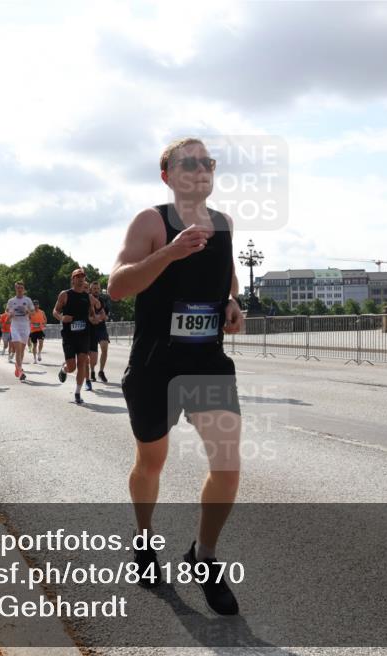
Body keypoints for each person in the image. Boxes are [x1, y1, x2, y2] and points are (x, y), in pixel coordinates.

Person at [107, 137, 244, 615]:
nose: (201, 169)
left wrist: (231, 302)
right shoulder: (152, 221)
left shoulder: (224, 223)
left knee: (227, 465)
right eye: (189, 162)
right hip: (155, 364)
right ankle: (144, 540)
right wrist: (168, 253)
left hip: (207, 360)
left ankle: (203, 556)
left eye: (207, 162)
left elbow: (227, 275)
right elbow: (118, 286)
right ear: (167, 173)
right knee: (152, 462)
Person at [53, 268, 100, 403]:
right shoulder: (65, 295)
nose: (80, 279)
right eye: (77, 277)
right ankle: (64, 369)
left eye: (82, 277)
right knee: (72, 367)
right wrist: (62, 318)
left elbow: (92, 314)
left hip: (84, 335)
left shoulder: (88, 297)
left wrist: (94, 318)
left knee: (82, 363)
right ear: (73, 279)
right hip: (69, 336)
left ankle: (78, 393)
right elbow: (55, 311)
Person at [6, 281, 35, 381]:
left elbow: (33, 313)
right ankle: (21, 371)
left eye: (21, 288)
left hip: (25, 327)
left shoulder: (28, 300)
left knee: (22, 351)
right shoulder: (11, 301)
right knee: (18, 350)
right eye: (18, 288)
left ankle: (18, 367)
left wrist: (27, 311)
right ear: (15, 289)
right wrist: (10, 314)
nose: (19, 289)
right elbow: (8, 313)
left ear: (24, 289)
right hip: (15, 327)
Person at [87, 281, 111, 382]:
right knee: (93, 357)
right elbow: (86, 316)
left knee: (104, 347)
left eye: (98, 289)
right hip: (91, 330)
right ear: (90, 290)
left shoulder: (103, 300)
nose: (96, 290)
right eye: (94, 289)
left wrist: (101, 317)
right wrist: (92, 319)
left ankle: (101, 371)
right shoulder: (87, 300)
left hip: (101, 328)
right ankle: (92, 370)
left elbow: (106, 315)